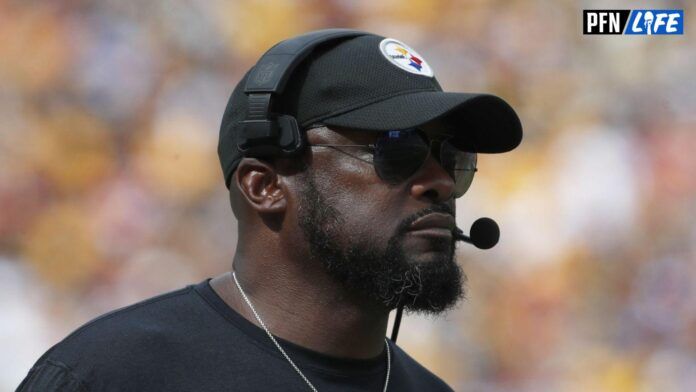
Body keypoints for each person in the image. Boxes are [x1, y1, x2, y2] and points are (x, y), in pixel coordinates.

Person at [18, 30, 521, 391]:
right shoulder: (115, 374)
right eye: (397, 149)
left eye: (453, 158)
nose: (438, 183)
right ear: (264, 185)